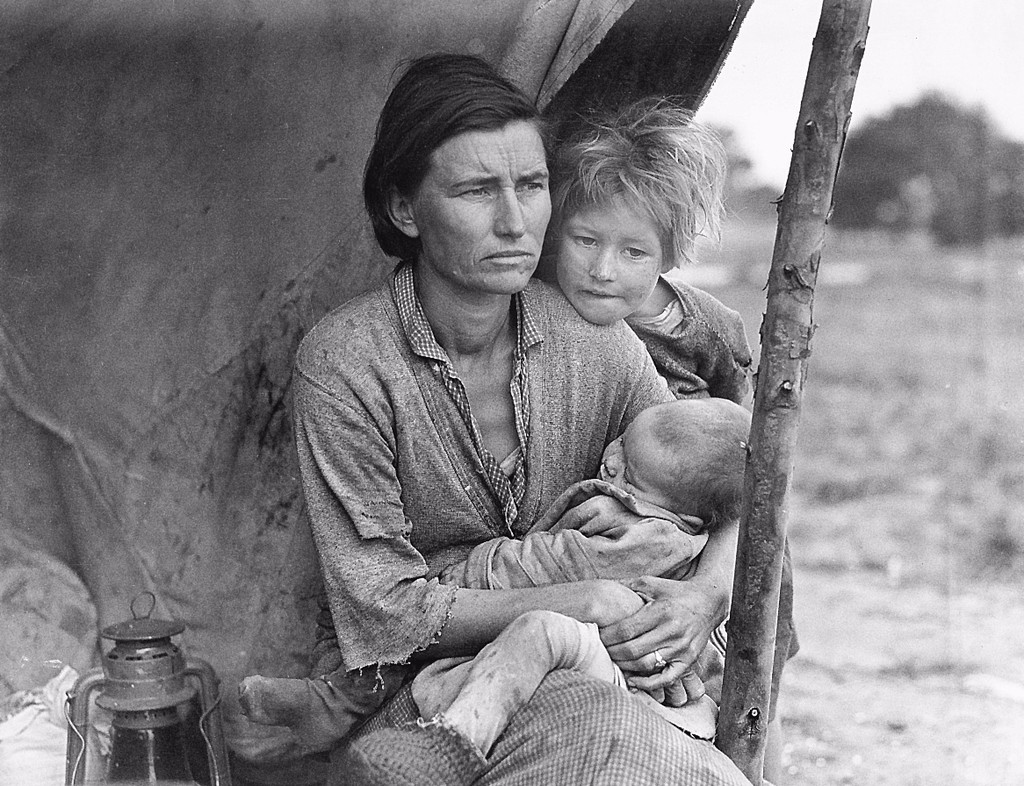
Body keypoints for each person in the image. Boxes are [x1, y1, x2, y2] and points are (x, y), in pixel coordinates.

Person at [248, 53, 748, 785]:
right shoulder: (347, 364)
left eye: (532, 185)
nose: (516, 222)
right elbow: (384, 613)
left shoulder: (596, 343)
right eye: (479, 190)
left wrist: (707, 594)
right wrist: (573, 598)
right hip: (430, 698)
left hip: (597, 670)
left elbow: (720, 477)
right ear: (404, 209)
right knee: (612, 746)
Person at [543, 96, 797, 780]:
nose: (602, 270)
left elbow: (750, 481)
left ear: (671, 252)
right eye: (585, 241)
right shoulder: (540, 313)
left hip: (709, 539)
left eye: (634, 251)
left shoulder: (706, 331)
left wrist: (712, 590)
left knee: (748, 683)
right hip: (617, 531)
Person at [396, 397, 754, 778]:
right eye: (621, 440)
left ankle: (449, 749)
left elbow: (546, 566)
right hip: (671, 692)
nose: (610, 461)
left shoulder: (644, 538)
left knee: (540, 635)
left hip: (639, 687)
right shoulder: (681, 505)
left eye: (628, 476)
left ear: (687, 516)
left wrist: (469, 575)